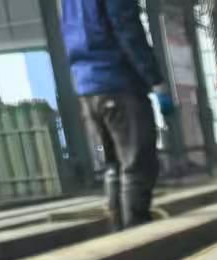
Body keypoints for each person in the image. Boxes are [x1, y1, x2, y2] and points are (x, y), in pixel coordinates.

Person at [61, 0, 173, 227]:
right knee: (136, 166)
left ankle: (119, 230)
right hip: (118, 82)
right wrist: (156, 80)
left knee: (113, 165)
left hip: (88, 90)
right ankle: (137, 232)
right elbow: (127, 28)